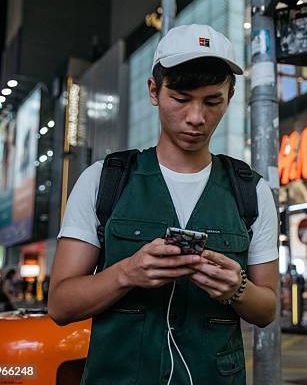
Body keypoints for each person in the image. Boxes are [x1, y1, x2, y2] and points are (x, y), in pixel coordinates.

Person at [48, 25, 279, 385]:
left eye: (212, 101)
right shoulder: (103, 180)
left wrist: (237, 289)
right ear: (154, 91)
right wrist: (126, 273)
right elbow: (60, 305)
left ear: (230, 96)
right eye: (182, 98)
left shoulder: (251, 192)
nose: (196, 118)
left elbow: (267, 309)